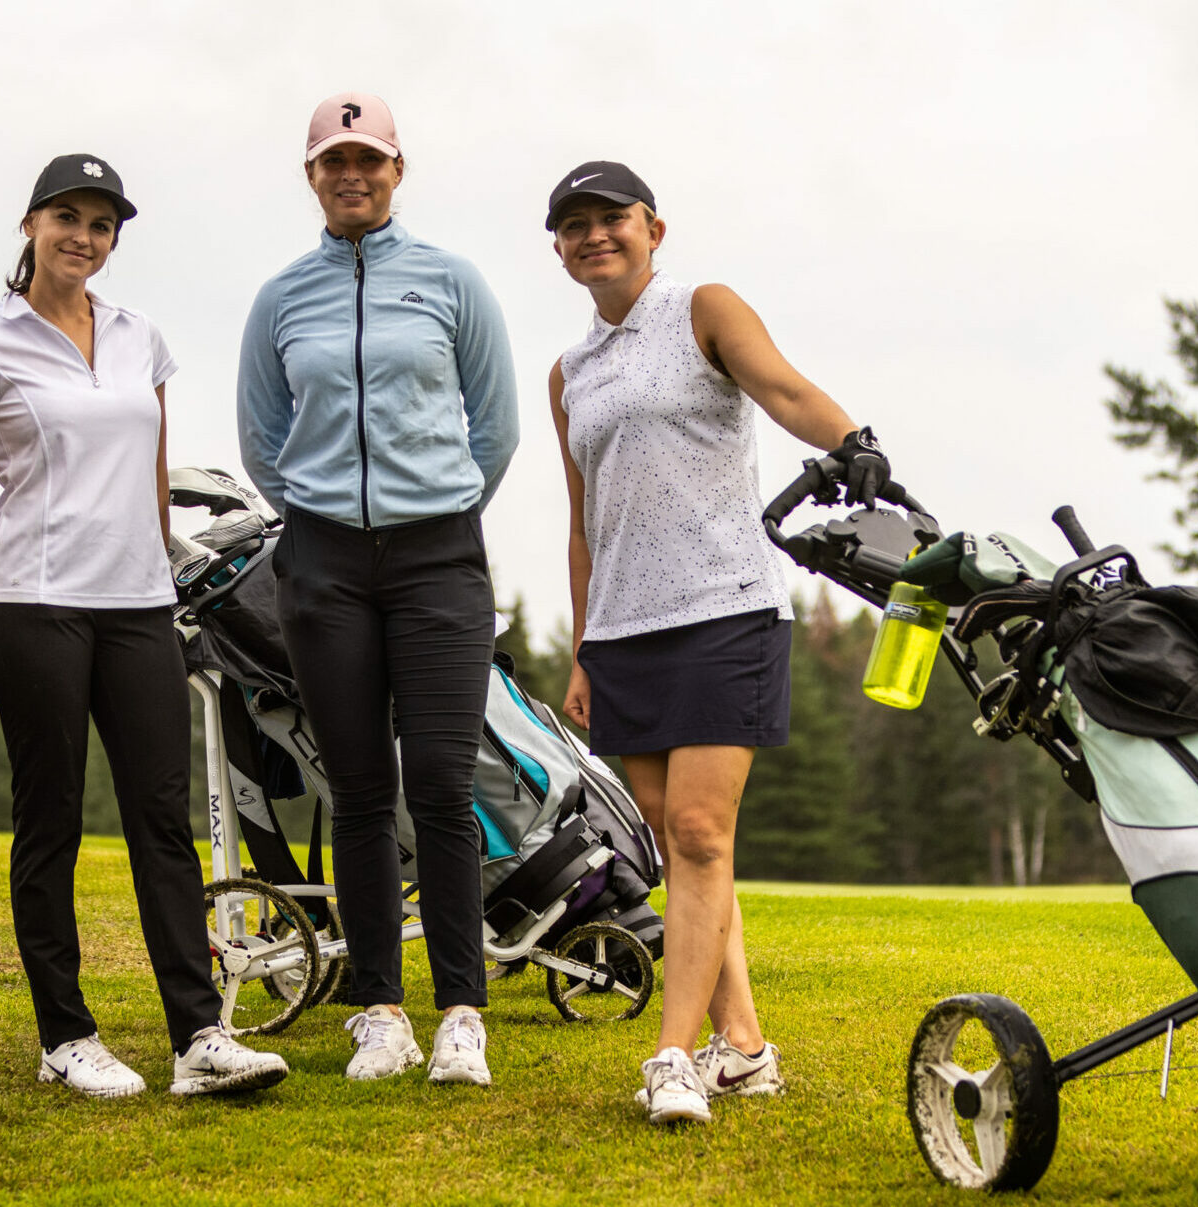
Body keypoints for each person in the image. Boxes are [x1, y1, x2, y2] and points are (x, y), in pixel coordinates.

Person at [0, 154, 290, 1100]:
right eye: (66, 216)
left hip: (138, 608)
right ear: (30, 225)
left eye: (101, 222)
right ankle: (65, 1034)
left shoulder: (142, 340)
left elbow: (151, 477)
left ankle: (199, 1035)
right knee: (48, 821)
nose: (83, 236)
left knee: (161, 821)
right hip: (31, 607)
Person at [542, 161, 888, 1125]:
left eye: (611, 218)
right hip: (621, 629)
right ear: (558, 248)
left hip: (724, 607)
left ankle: (672, 1058)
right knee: (683, 845)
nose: (594, 235)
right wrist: (581, 646)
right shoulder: (570, 374)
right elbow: (584, 520)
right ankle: (743, 1047)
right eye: (573, 225)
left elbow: (781, 388)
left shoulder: (704, 306)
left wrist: (849, 437)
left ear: (653, 227)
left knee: (699, 834)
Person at [237, 93, 517, 1086]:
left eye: (369, 159)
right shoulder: (280, 299)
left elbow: (494, 426)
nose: (350, 175)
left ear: (398, 169)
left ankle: (461, 1012)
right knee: (356, 786)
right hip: (322, 565)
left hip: (439, 558)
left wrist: (426, 508)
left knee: (441, 782)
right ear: (311, 176)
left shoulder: (451, 282)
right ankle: (380, 1011)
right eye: (331, 162)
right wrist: (324, 517)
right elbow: (262, 439)